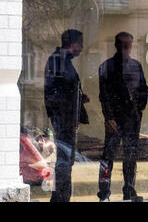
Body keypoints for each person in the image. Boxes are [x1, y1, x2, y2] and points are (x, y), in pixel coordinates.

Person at [97, 32, 148, 202]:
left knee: (131, 157)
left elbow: (144, 89)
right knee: (108, 157)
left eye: (129, 45)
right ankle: (104, 194)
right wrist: (109, 117)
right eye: (124, 45)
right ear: (117, 45)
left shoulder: (136, 66)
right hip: (115, 120)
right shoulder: (107, 67)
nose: (127, 48)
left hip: (132, 120)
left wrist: (139, 109)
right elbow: (103, 95)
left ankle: (129, 191)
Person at [44, 29, 90, 202]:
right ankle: (60, 198)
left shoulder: (64, 61)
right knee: (64, 161)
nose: (82, 47)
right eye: (80, 42)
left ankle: (62, 197)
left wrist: (78, 98)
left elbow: (62, 90)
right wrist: (69, 103)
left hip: (66, 118)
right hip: (63, 120)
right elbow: (53, 93)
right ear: (71, 43)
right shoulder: (58, 60)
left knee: (66, 161)